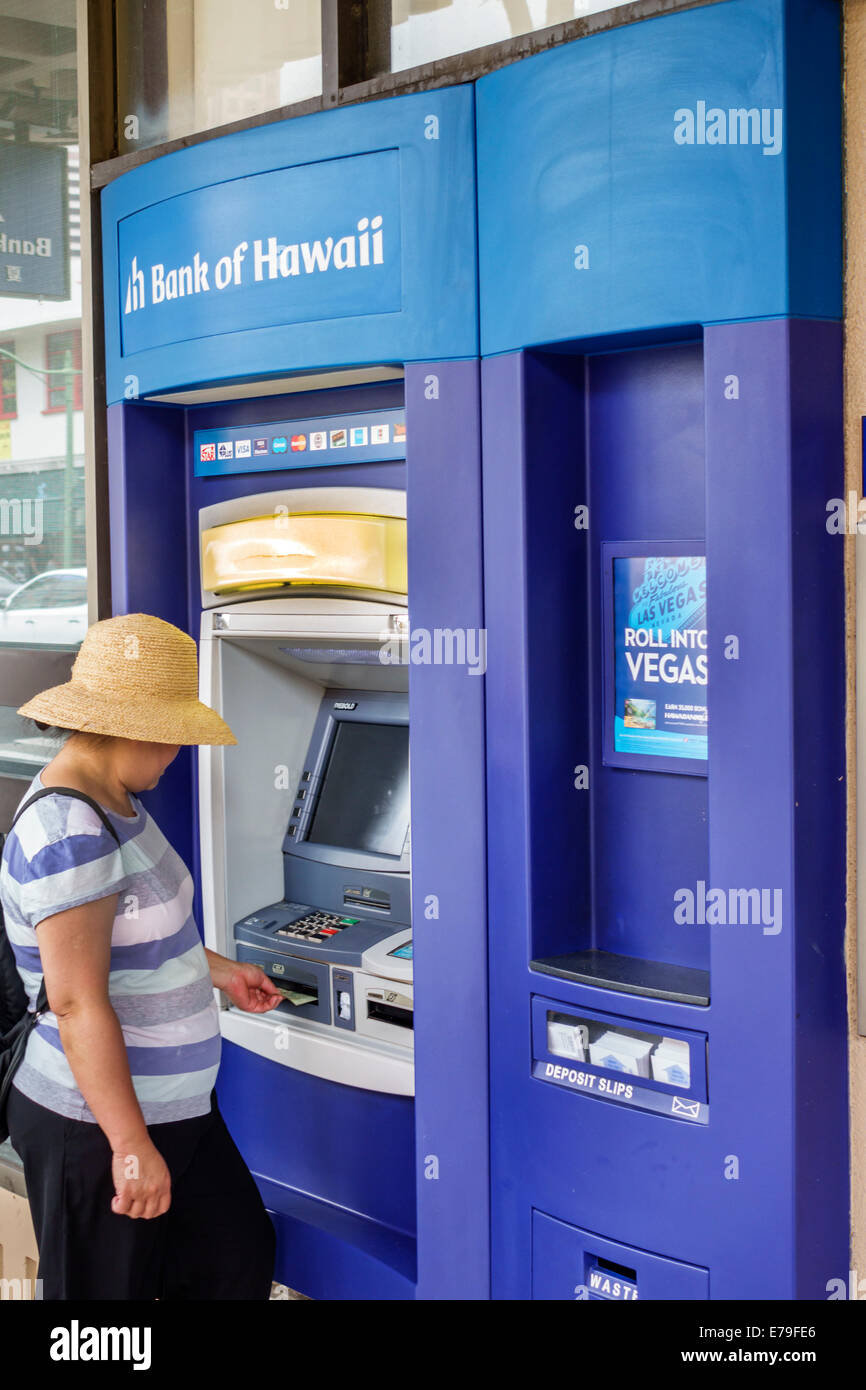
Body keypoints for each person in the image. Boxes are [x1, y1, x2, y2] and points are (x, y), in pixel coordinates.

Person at [0, 612, 283, 1300]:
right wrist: (129, 1147)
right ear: (128, 725)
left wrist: (219, 971)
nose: (177, 753)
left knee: (234, 1257)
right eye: (172, 737)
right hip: (95, 1127)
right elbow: (75, 1002)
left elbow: (141, 932)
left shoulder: (114, 796)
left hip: (173, 1107)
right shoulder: (72, 829)